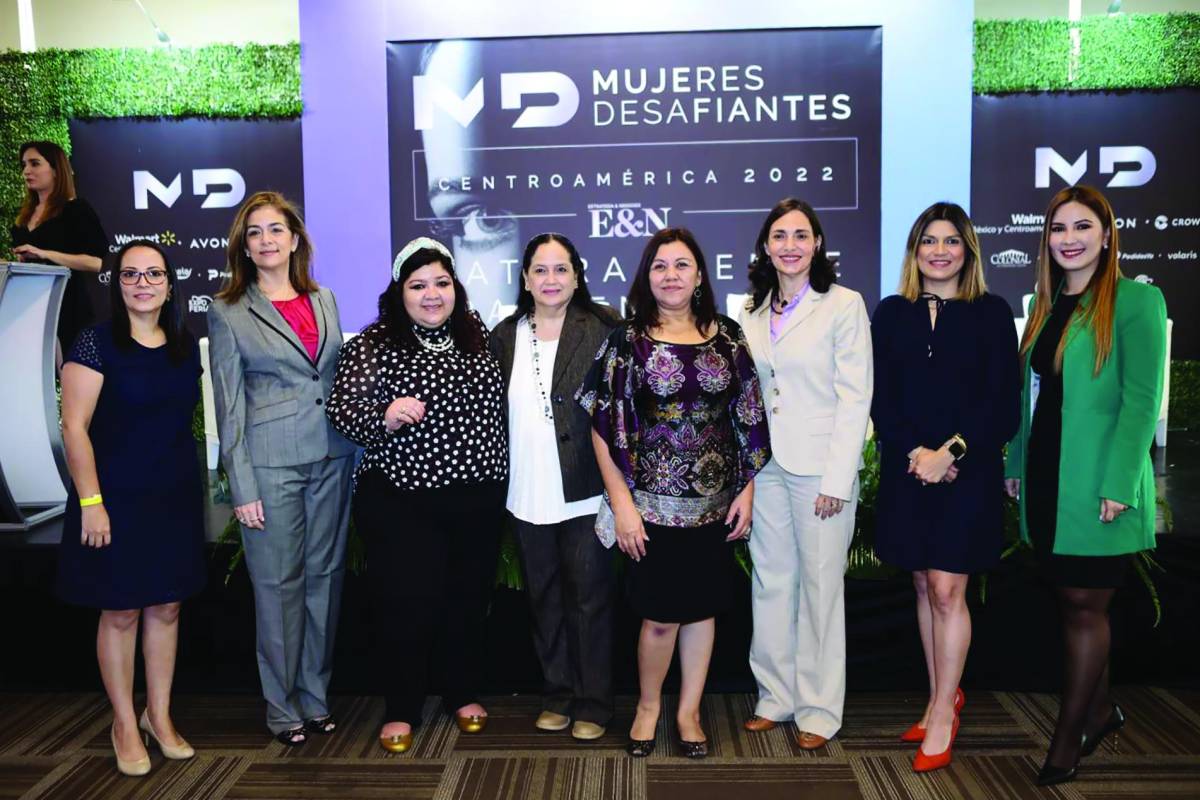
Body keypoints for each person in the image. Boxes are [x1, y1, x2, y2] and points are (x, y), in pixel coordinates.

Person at [579, 227, 771, 759]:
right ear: (647, 276)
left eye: (681, 265)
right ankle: (648, 706)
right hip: (650, 509)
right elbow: (603, 423)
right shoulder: (627, 339)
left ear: (700, 275)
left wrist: (746, 491)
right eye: (660, 266)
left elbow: (748, 419)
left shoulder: (728, 336)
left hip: (714, 508)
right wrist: (622, 505)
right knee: (661, 616)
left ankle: (689, 711)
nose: (671, 275)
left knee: (703, 611)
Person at [1005, 185, 1166, 786]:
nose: (1068, 239)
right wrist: (1016, 463)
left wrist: (1121, 481)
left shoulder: (1136, 301)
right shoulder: (1044, 306)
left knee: (1085, 605)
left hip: (1102, 480)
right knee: (1069, 598)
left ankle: (1069, 737)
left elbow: (1142, 399)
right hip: (1050, 477)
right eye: (1057, 228)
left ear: (1106, 234)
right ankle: (1099, 711)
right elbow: (1033, 399)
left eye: (1081, 227)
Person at [326, 237, 507, 754]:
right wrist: (382, 417)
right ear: (399, 291)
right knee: (407, 604)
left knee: (467, 600)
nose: (432, 294)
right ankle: (402, 706)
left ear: (457, 288)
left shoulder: (479, 337)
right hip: (402, 502)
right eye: (418, 284)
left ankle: (462, 692)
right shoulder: (373, 342)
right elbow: (341, 412)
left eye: (442, 283)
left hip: (476, 499)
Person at [870, 202, 1020, 773]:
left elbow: (1002, 405)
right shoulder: (891, 313)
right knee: (921, 585)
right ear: (914, 252)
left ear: (968, 251)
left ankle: (940, 713)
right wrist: (917, 455)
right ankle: (943, 696)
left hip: (968, 473)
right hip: (909, 471)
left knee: (946, 590)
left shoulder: (991, 313)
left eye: (950, 241)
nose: (939, 251)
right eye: (928, 241)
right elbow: (882, 398)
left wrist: (949, 453)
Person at [208, 191, 356, 746]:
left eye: (276, 230)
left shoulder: (325, 299)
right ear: (243, 246)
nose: (266, 241)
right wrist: (240, 484)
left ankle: (315, 698)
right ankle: (281, 707)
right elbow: (229, 405)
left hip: (334, 458)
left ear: (295, 239)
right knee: (277, 587)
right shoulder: (227, 310)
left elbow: (335, 383)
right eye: (254, 233)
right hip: (270, 468)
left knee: (325, 582)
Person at [57, 240, 204, 776]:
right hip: (112, 499)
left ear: (169, 283)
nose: (143, 283)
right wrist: (92, 502)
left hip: (172, 497)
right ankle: (123, 721)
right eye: (131, 275)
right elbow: (74, 427)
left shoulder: (183, 344)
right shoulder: (94, 343)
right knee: (119, 610)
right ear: (117, 284)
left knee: (166, 606)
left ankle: (157, 716)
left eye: (154, 274)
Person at [737, 198, 873, 750]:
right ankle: (776, 696)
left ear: (817, 243)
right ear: (765, 247)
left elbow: (855, 396)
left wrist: (838, 480)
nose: (789, 244)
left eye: (800, 234)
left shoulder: (843, 304)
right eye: (779, 235)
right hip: (766, 467)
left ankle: (818, 710)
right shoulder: (749, 310)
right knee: (771, 582)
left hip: (821, 469)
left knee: (820, 589)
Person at [489, 233, 621, 740]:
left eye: (560, 269)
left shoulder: (605, 327)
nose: (550, 280)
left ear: (577, 275)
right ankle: (557, 694)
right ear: (524, 279)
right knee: (543, 598)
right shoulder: (503, 335)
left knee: (589, 598)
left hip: (587, 488)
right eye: (540, 271)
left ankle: (594, 703)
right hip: (526, 490)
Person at [11, 140, 108, 354]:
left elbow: (96, 263)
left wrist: (45, 254)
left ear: (56, 169)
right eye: (24, 165)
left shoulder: (76, 210)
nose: (27, 171)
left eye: (35, 164)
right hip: (29, 308)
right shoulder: (24, 216)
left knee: (72, 374)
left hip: (68, 308)